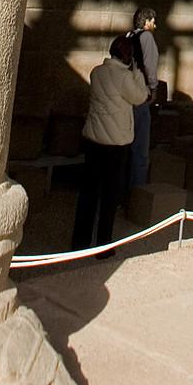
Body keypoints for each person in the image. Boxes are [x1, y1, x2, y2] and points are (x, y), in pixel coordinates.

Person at [72, 35, 148, 250]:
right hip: (116, 143)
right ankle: (103, 244)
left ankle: (79, 242)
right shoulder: (125, 77)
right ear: (128, 56)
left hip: (94, 138)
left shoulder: (97, 72)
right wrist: (137, 73)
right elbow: (140, 97)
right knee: (109, 195)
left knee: (88, 192)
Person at [125, 6, 158, 193]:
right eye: (153, 21)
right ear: (146, 22)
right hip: (140, 94)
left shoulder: (129, 36)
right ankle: (137, 192)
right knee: (140, 149)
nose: (155, 25)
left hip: (126, 94)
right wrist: (153, 89)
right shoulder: (147, 38)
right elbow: (150, 66)